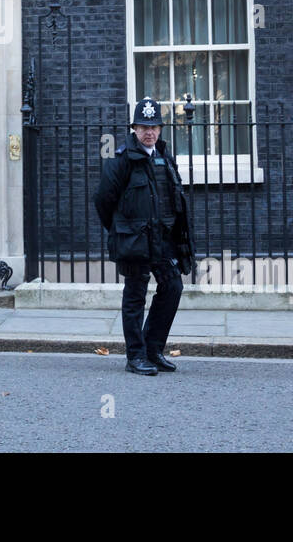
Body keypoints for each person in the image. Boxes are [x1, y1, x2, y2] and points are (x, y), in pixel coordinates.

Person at [93, 97, 196, 376]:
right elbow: (103, 200)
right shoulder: (122, 159)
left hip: (162, 240)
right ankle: (135, 356)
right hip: (135, 240)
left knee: (173, 287)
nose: (148, 132)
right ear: (134, 129)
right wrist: (120, 231)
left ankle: (153, 349)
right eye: (142, 127)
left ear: (160, 129)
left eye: (153, 127)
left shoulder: (164, 156)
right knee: (135, 295)